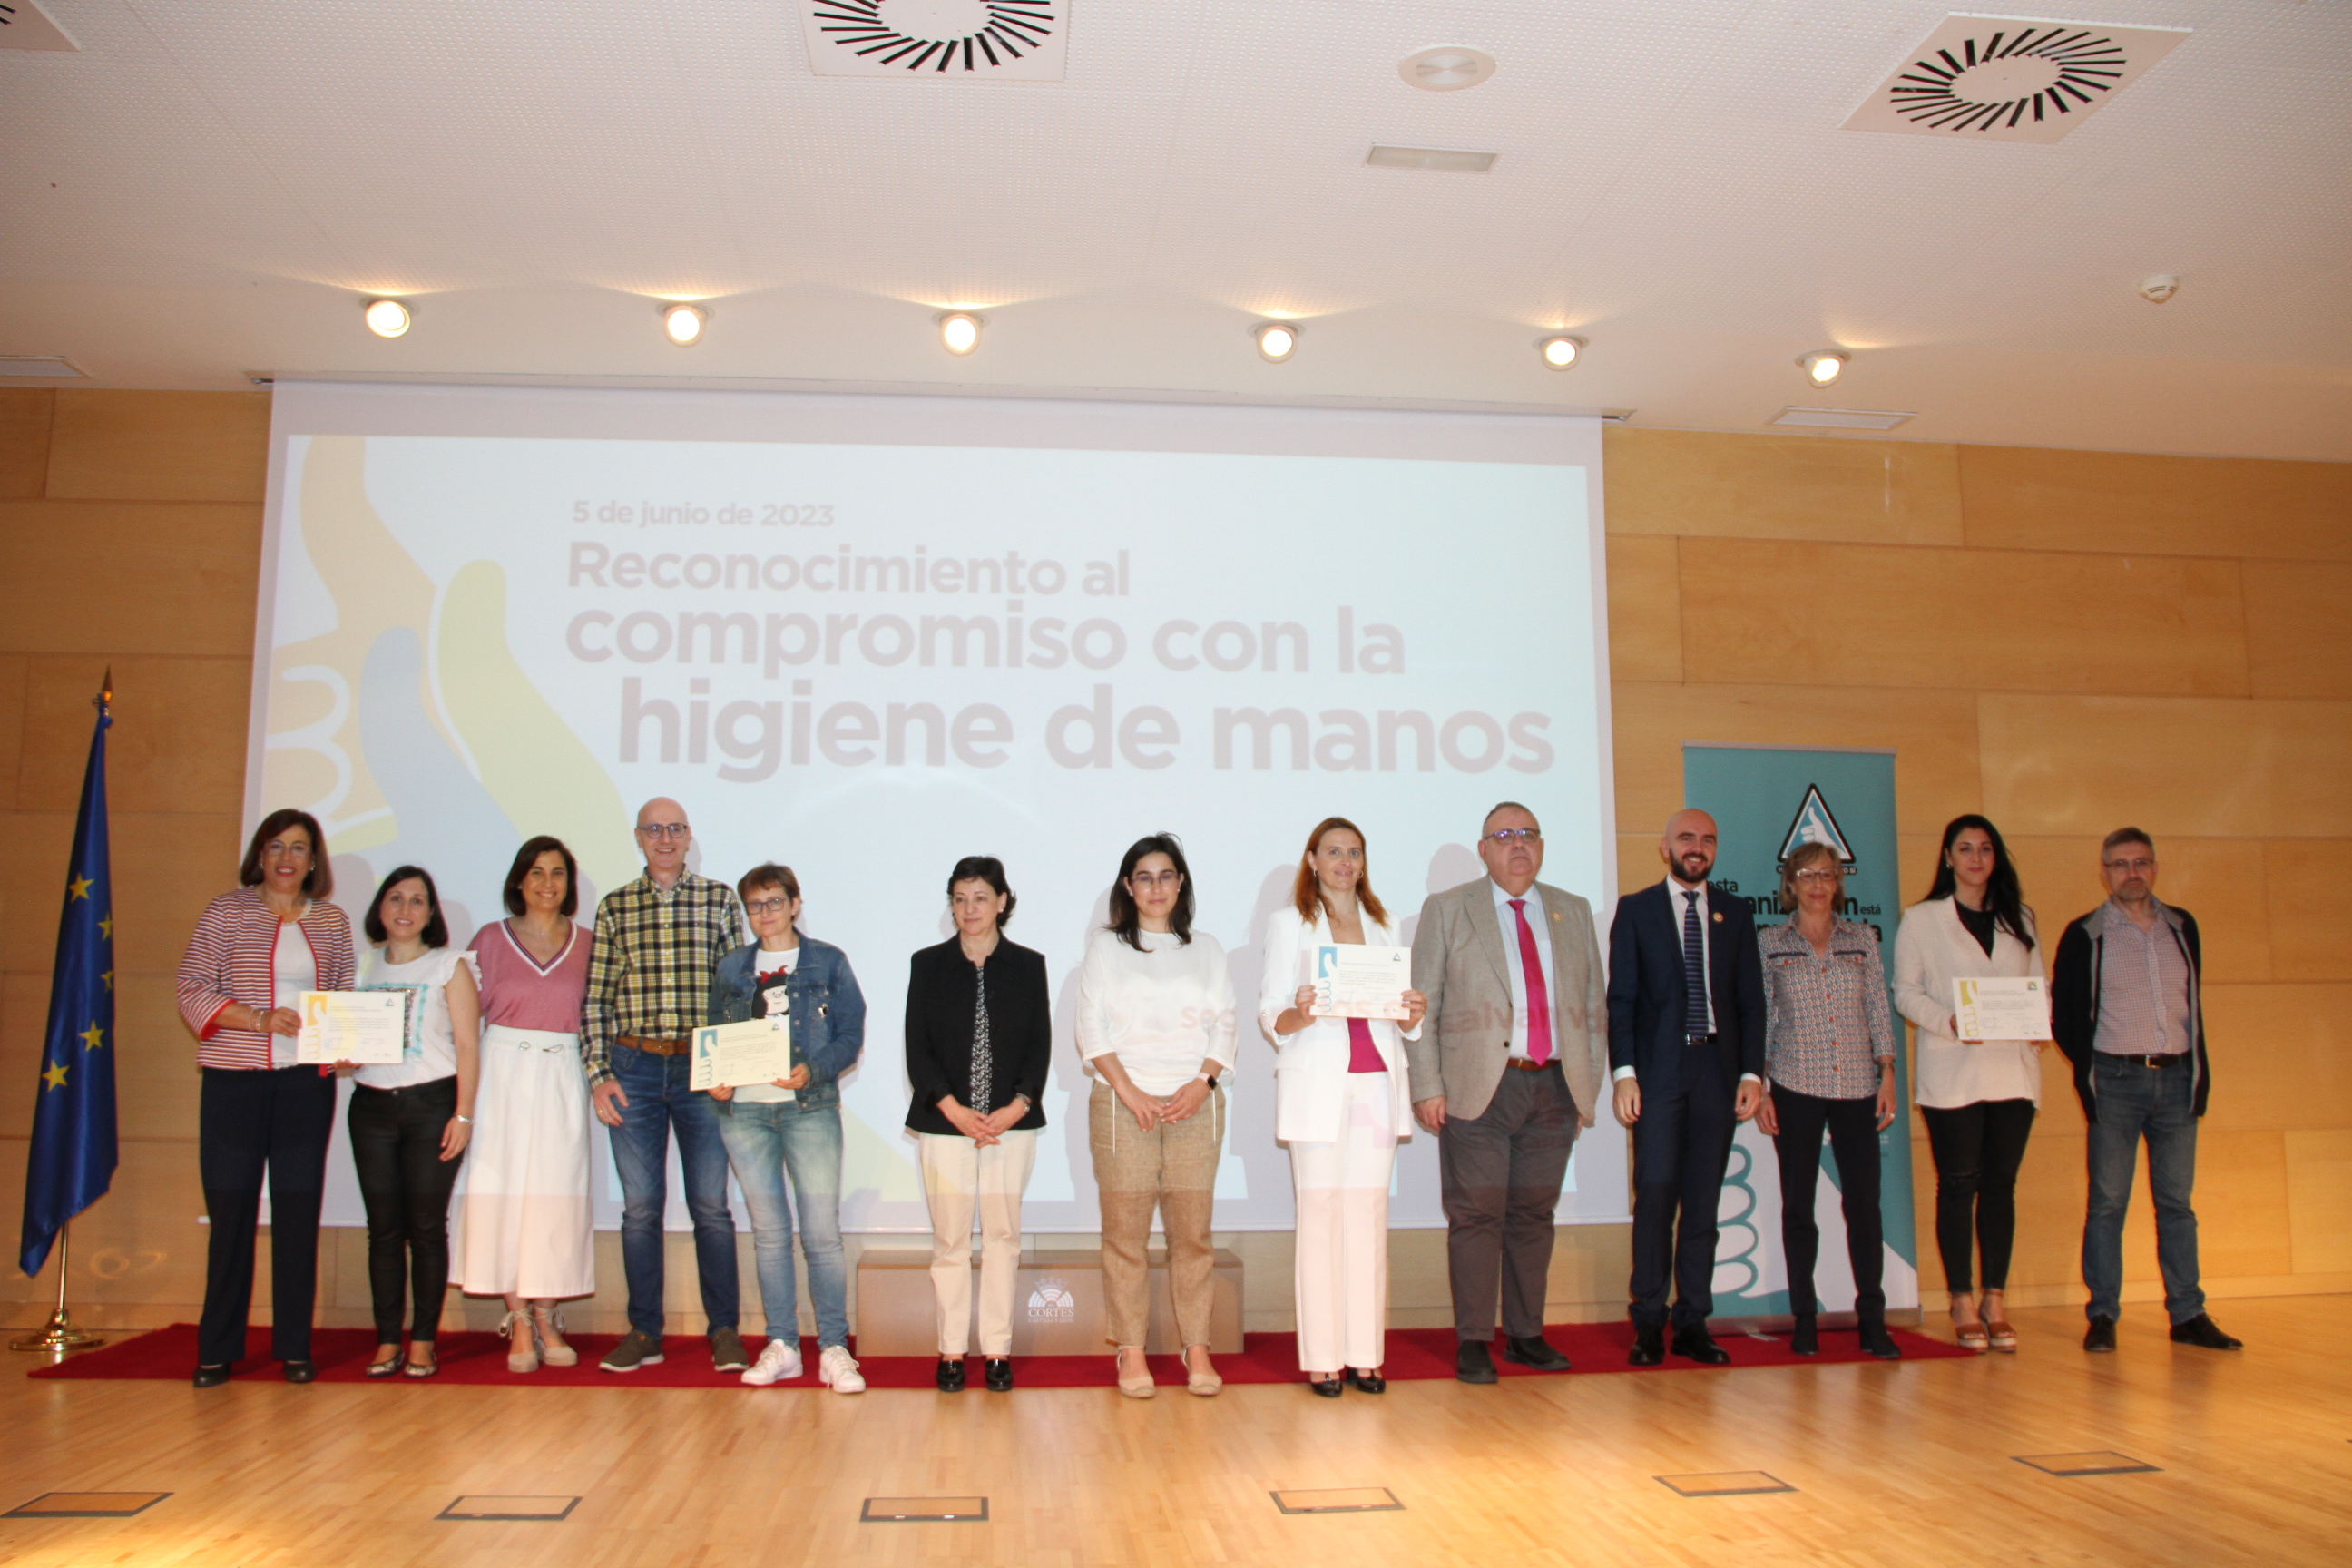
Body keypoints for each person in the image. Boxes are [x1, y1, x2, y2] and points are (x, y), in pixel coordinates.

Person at [1407, 801, 1607, 1385]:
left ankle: (1525, 1334)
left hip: (1555, 1087)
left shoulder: (1572, 910)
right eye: (1504, 836)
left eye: (1528, 834)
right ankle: (1474, 1339)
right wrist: (1427, 1085)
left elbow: (1593, 1007)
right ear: (1483, 850)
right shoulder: (1448, 909)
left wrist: (1585, 1087)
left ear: (1540, 846)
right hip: (1477, 1090)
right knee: (1476, 1215)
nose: (1518, 844)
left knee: (1533, 1215)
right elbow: (1421, 1006)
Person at [174, 808, 355, 1387]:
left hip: (305, 1085)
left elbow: (344, 996)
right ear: (260, 853)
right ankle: (217, 1349)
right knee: (231, 1215)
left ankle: (294, 1347)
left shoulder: (332, 921)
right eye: (276, 846)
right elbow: (191, 988)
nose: (286, 858)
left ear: (313, 859)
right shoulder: (226, 911)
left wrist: (348, 1046)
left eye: (298, 848)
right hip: (235, 1082)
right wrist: (258, 1019)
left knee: (298, 1214)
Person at [2053, 828, 2240, 1353]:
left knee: (2177, 1204)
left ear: (2154, 868)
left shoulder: (2182, 926)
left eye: (2140, 862)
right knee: (2108, 1202)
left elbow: (2192, 1003)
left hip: (2178, 1079)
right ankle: (2103, 1314)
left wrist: (2196, 1073)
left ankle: (2188, 1314)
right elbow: (2065, 1016)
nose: (2131, 873)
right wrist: (2095, 1070)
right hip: (2116, 1081)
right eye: (2120, 864)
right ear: (2104, 872)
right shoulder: (2086, 933)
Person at [582, 798, 750, 1375]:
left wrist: (731, 1066)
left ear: (688, 835)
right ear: (638, 837)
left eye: (675, 828)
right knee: (640, 1209)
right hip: (633, 1067)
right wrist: (599, 1075)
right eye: (654, 830)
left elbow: (738, 993)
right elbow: (597, 999)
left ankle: (724, 1330)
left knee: (711, 1206)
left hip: (702, 1068)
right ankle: (644, 1332)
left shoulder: (719, 899)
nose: (665, 838)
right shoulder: (615, 906)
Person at [1259, 818, 1426, 1396]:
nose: (1345, 862)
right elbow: (1271, 1014)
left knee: (1368, 1216)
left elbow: (1401, 1019)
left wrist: (1412, 1013)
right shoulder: (1289, 924)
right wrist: (1299, 1013)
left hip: (1377, 1085)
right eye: (1333, 851)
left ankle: (1365, 1354)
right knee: (1321, 1216)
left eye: (1354, 852)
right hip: (1316, 1088)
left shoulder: (1386, 923)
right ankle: (1323, 1357)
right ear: (1312, 860)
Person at [1079, 834, 1240, 1398]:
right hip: (1123, 1105)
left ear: (1181, 883)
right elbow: (1091, 1028)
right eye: (1144, 877)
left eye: (1166, 875)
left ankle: (1197, 1347)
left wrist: (1202, 1083)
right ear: (1128, 886)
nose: (1156, 887)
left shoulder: (1207, 949)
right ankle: (1130, 1350)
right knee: (1125, 1237)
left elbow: (1225, 1023)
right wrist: (1130, 1091)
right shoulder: (1106, 948)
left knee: (1192, 1236)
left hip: (1195, 1103)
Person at [1607, 808, 1766, 1367]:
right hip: (1657, 1073)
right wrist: (1624, 1075)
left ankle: (1694, 1321)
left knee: (1703, 1202)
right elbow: (1621, 1001)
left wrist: (1752, 1075)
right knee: (1655, 1196)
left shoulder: (1736, 913)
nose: (1697, 847)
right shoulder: (1636, 910)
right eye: (1686, 838)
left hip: (1717, 1074)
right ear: (1665, 847)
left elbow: (1751, 1002)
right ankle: (1649, 1321)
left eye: (1707, 840)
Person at [706, 863, 869, 1394]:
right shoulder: (732, 967)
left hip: (809, 1109)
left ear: (795, 904)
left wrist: (814, 1070)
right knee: (770, 1235)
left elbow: (849, 1034)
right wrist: (715, 1080)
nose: (765, 913)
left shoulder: (828, 961)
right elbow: (714, 1035)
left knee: (821, 1234)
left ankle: (834, 1347)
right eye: (755, 905)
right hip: (745, 1115)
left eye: (775, 902)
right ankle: (782, 1344)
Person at [1892, 814, 2046, 1353]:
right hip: (1953, 1069)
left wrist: (2040, 1019)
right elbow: (1905, 992)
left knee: (2000, 1186)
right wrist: (1950, 1021)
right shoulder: (1921, 919)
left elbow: (2039, 985)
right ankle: (1960, 1299)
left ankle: (1994, 1300)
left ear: (1995, 857)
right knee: (1958, 1185)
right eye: (1965, 849)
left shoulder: (2020, 917)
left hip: (2012, 1070)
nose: (1976, 858)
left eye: (1985, 849)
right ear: (1948, 858)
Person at [905, 856, 1051, 1393]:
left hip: (1010, 1126)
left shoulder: (1028, 965)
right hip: (946, 1125)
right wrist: (953, 1109)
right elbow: (917, 1050)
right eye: (960, 899)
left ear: (1002, 902)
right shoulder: (927, 964)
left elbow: (1039, 1046)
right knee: (949, 1240)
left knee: (1002, 1239)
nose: (970, 909)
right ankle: (950, 1351)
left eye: (981, 898)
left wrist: (1016, 1107)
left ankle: (996, 1352)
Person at [455, 836, 596, 1374]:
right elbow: (459, 1019)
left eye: (557, 873)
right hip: (501, 1071)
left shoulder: (589, 943)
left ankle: (546, 1315)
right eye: (536, 872)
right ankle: (517, 1318)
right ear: (519, 880)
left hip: (562, 1070)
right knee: (501, 1192)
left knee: (556, 1195)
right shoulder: (490, 940)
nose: (547, 883)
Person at [1755, 842, 1899, 1360]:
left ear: (1838, 883)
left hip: (1858, 1085)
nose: (1818, 885)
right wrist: (1763, 1086)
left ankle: (1872, 1320)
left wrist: (1887, 1072)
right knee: (1799, 1207)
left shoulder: (1862, 939)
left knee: (1864, 1206)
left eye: (1827, 875)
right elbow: (1763, 1016)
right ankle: (1805, 1318)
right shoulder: (1770, 943)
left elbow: (1878, 1006)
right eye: (1807, 875)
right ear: (1790, 883)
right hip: (1794, 1083)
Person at [349, 866, 480, 1379]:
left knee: (426, 1228)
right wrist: (339, 1054)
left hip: (432, 1108)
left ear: (431, 914)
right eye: (396, 898)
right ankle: (387, 1340)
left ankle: (423, 1340)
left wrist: (463, 1114)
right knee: (382, 1231)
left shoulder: (450, 966)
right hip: (371, 1109)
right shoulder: (362, 966)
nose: (405, 909)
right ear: (380, 908)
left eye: (417, 900)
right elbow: (346, 1042)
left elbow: (468, 1047)